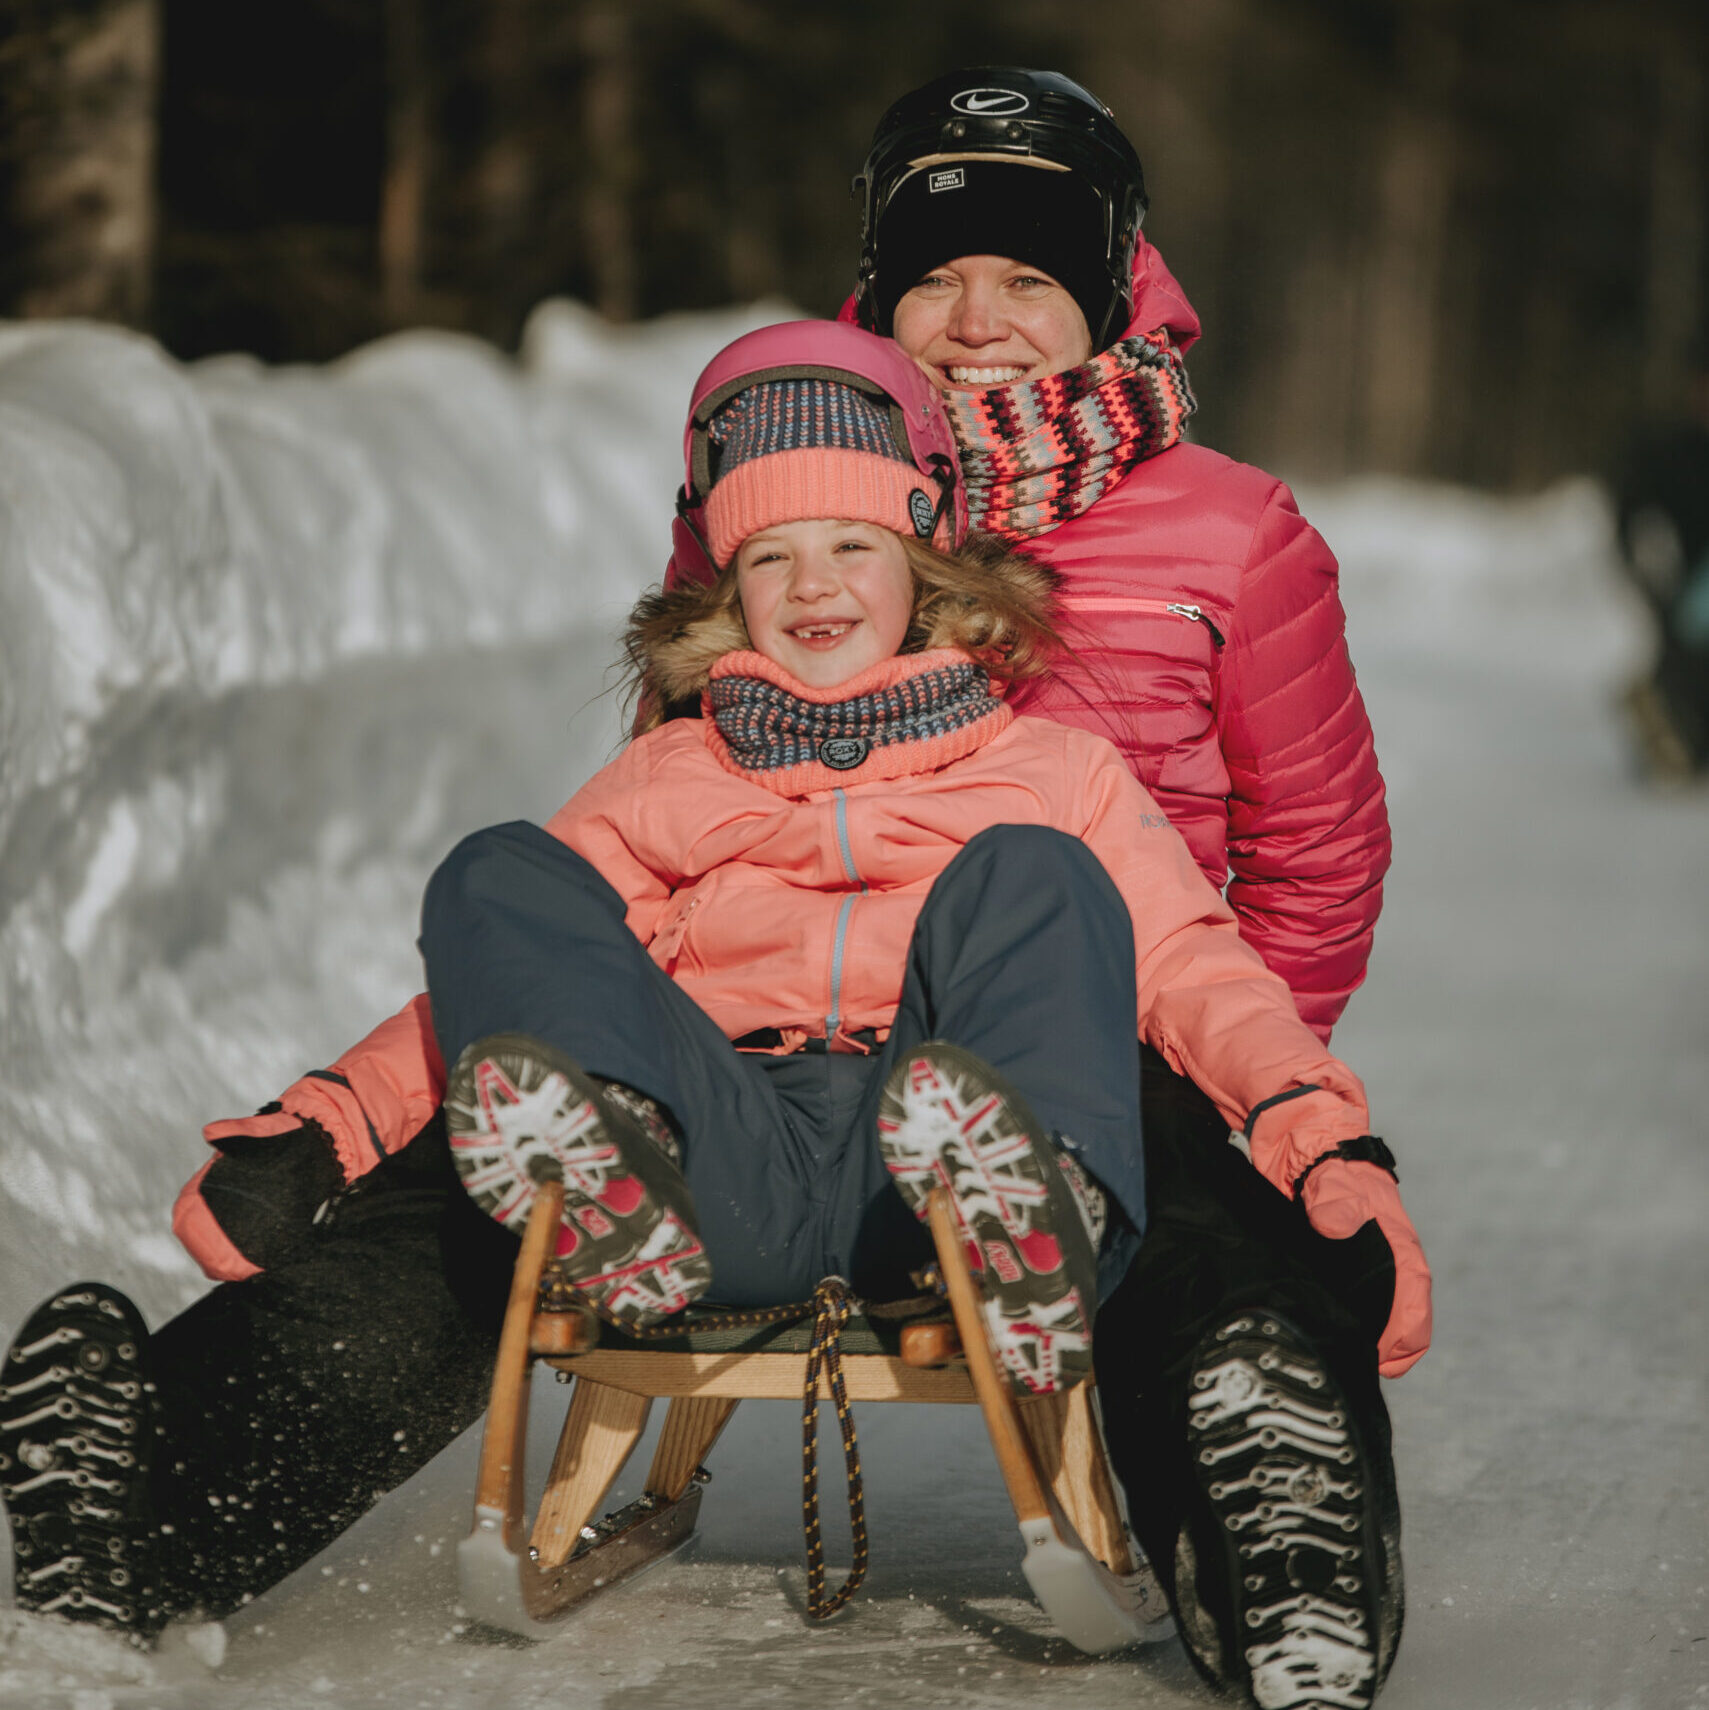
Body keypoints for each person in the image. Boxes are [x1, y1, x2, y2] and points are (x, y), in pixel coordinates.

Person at [3, 324, 1429, 1710]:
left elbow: (1194, 967)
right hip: (709, 1164)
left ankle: (1034, 1212)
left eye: (853, 546)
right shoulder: (665, 777)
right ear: (722, 588)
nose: (814, 585)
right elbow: (499, 987)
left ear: (928, 567)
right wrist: (329, 1124)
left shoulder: (1051, 770)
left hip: (931, 1168)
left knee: (1039, 882)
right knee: (501, 873)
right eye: (770, 555)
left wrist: (1315, 1136)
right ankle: (567, 1201)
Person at [805, 67, 1406, 1706]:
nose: (977, 317)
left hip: (1120, 1016)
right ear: (877, 293)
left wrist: (1240, 1064)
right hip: (822, 1014)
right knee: (501, 1161)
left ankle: (1276, 1533)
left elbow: (1315, 847)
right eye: (934, 274)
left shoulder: (1231, 536)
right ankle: (164, 1470)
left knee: (1211, 1228)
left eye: (1027, 277)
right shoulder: (796, 502)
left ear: (1109, 289)